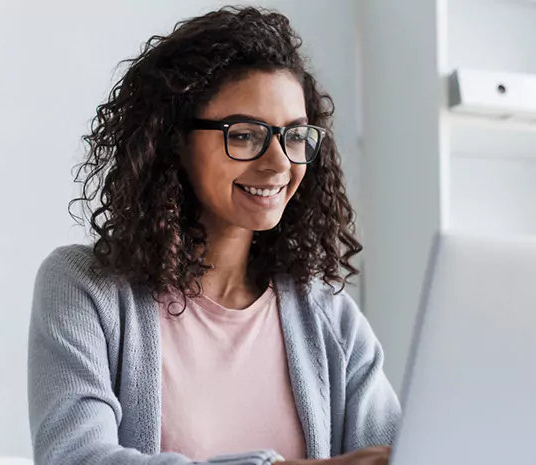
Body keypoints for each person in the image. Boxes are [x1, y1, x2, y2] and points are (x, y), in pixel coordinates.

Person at [27, 6, 400, 465]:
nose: (280, 163)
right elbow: (75, 457)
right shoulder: (85, 287)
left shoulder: (330, 319)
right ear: (174, 139)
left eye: (296, 136)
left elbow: (402, 451)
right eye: (244, 135)